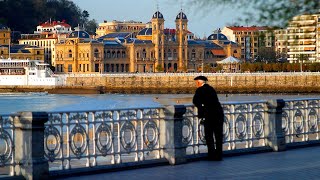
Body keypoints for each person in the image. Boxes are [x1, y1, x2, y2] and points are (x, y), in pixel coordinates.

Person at [192, 75, 224, 161]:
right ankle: (219, 155)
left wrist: (201, 108)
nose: (196, 84)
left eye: (196, 83)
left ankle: (212, 155)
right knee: (218, 135)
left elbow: (195, 101)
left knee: (209, 136)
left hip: (209, 115)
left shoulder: (200, 90)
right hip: (219, 113)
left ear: (199, 82)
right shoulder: (211, 88)